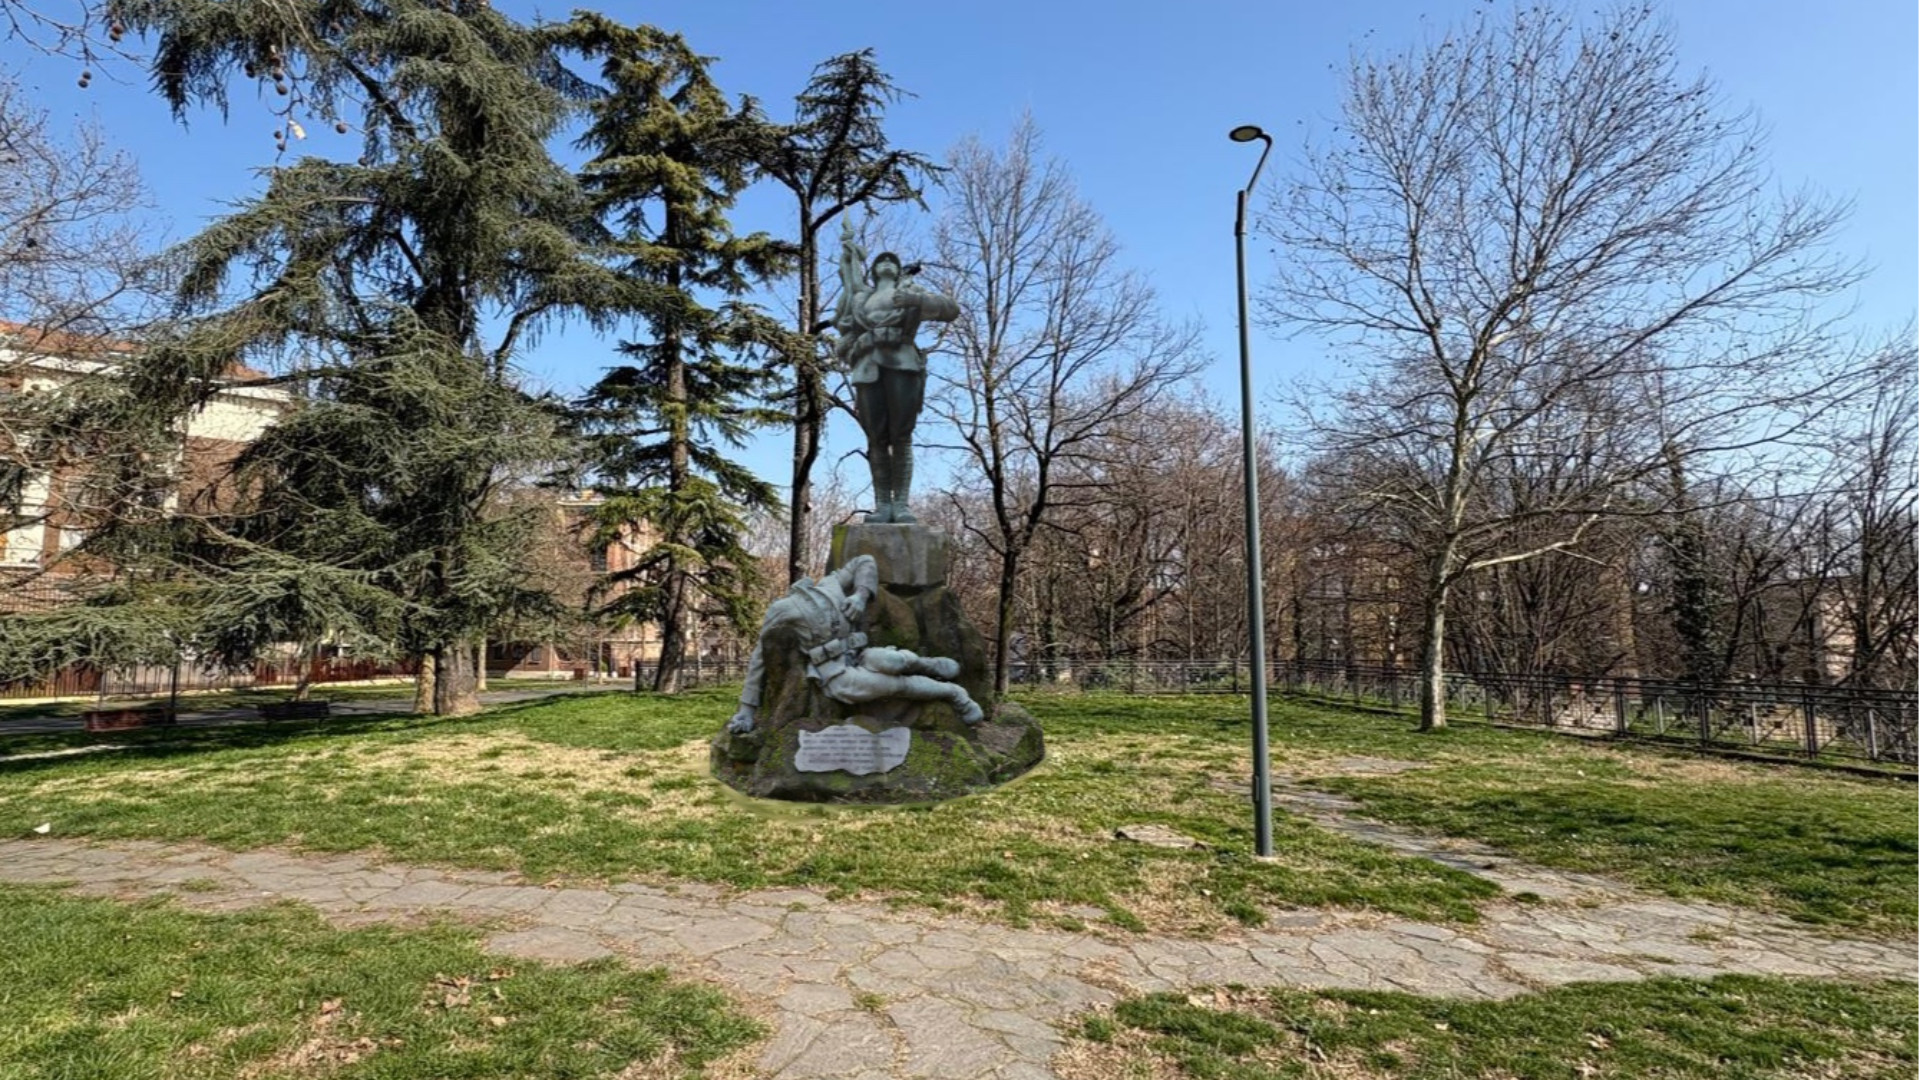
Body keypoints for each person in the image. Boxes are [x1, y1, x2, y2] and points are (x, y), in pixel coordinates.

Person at [726, 554, 983, 734]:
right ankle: (955, 694)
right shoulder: (782, 608)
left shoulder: (830, 584)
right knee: (892, 685)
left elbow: (865, 561)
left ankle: (925, 664)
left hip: (859, 653)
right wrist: (747, 711)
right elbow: (759, 658)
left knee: (893, 661)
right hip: (834, 674)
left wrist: (860, 595)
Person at [833, 221, 960, 524]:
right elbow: (844, 332)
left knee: (901, 436)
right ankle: (882, 506)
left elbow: (950, 310)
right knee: (876, 438)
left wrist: (917, 300)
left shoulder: (909, 290)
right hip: (867, 368)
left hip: (902, 364)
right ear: (874, 270)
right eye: (881, 260)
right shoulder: (860, 299)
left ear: (898, 268)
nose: (887, 263)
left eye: (892, 260)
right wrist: (852, 345)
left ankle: (901, 504)